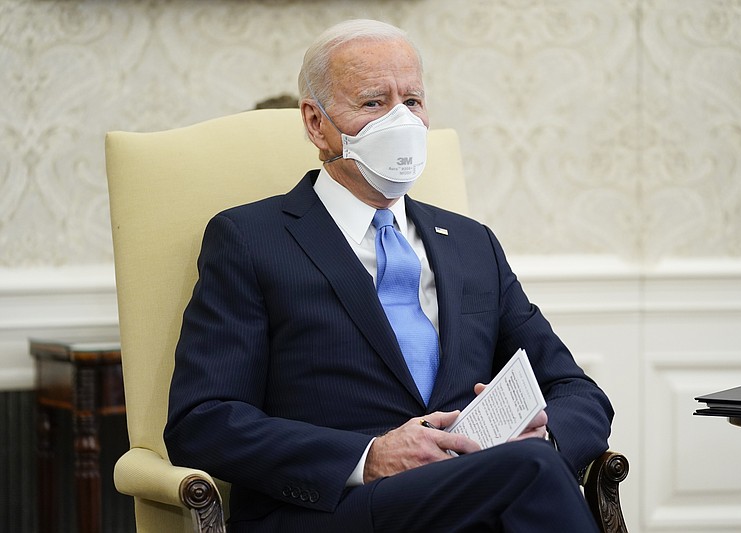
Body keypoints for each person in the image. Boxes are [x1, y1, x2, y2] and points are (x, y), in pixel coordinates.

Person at [165, 19, 614, 532]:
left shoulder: (472, 244)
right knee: (529, 474)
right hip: (335, 510)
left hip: (475, 492)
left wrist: (545, 438)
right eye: (375, 103)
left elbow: (576, 391)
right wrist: (368, 455)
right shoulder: (250, 239)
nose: (400, 121)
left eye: (413, 102)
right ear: (316, 123)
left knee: (530, 464)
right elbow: (203, 421)